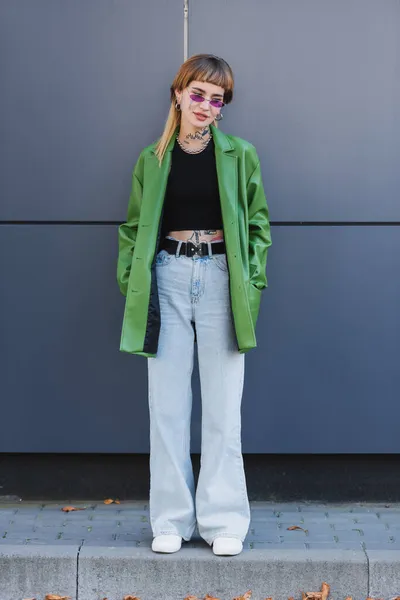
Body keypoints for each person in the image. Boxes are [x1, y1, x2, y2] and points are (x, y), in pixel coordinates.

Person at [117, 54, 271, 556]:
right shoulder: (152, 159)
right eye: (198, 93)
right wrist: (131, 279)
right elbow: (132, 228)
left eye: (217, 97)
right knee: (167, 405)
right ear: (178, 94)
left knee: (225, 406)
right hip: (168, 276)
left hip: (223, 277)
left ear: (224, 106)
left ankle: (224, 522)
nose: (206, 105)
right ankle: (170, 520)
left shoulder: (240, 155)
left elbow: (258, 228)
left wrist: (252, 284)